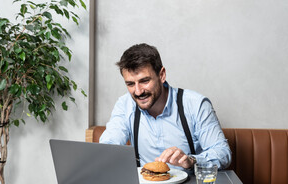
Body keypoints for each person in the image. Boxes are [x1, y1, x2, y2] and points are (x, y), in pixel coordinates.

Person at [99, 43, 231, 171]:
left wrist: (191, 160)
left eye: (144, 81)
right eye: (130, 84)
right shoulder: (124, 105)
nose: (138, 91)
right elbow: (109, 145)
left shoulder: (195, 104)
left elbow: (223, 153)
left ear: (161, 75)